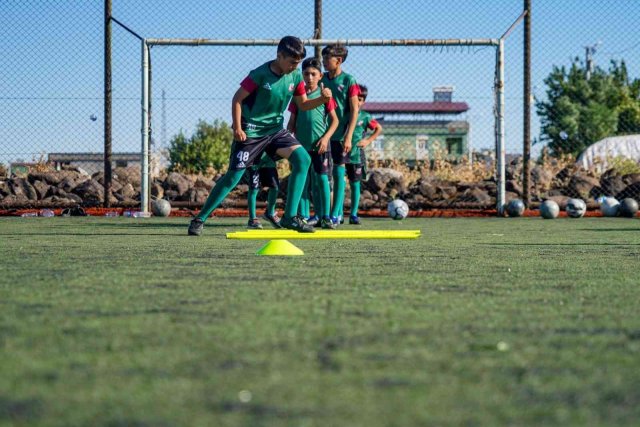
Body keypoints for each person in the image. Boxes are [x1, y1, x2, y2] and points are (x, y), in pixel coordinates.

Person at [188, 36, 332, 236]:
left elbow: (303, 105)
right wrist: (238, 127)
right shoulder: (260, 74)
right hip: (252, 132)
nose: (294, 67)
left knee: (303, 159)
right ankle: (199, 218)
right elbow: (237, 99)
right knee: (233, 178)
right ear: (279, 56)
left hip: (275, 131)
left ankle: (290, 217)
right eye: (292, 62)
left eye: (297, 63)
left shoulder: (296, 77)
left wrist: (322, 100)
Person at [287, 58, 339, 229]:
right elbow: (292, 121)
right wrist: (289, 140)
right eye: (306, 74)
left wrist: (325, 139)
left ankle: (326, 217)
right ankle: (302, 216)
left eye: (313, 74)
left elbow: (335, 121)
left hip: (320, 146)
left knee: (322, 179)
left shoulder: (325, 95)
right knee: (303, 180)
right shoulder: (297, 96)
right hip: (301, 147)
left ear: (320, 76)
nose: (309, 77)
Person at [320, 44, 361, 226]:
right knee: (322, 175)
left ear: (339, 60)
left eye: (327, 59)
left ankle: (336, 213)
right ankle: (324, 214)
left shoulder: (349, 80)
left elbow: (354, 111)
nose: (323, 62)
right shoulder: (322, 80)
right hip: (323, 135)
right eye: (322, 59)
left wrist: (349, 136)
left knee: (338, 172)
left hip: (340, 135)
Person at [346, 84, 382, 224]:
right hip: (341, 154)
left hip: (356, 155)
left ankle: (353, 214)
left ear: (363, 101)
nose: (357, 101)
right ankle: (337, 214)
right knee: (338, 184)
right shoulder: (343, 114)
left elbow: (378, 128)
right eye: (356, 98)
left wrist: (368, 141)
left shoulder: (365, 117)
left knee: (355, 184)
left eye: (360, 99)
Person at [245, 153, 281, 229]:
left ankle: (270, 213)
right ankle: (252, 219)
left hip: (269, 163)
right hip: (253, 163)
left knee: (275, 188)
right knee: (254, 189)